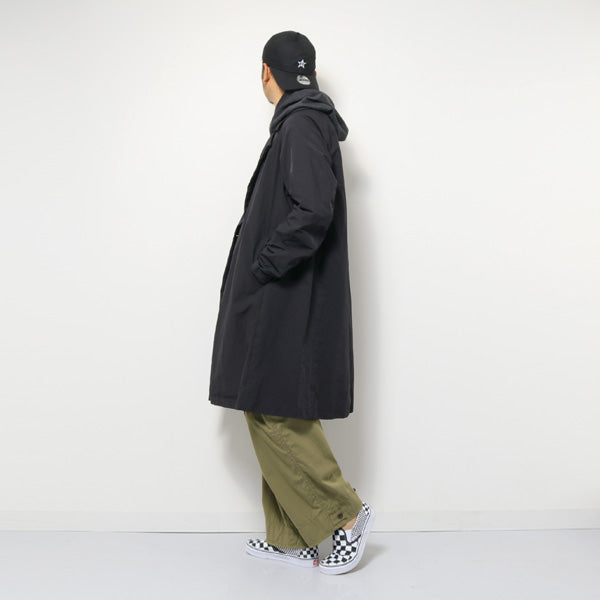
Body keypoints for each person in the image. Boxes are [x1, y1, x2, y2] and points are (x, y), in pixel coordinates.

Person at [208, 30, 375, 575]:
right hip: (284, 290)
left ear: (266, 73)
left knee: (277, 409)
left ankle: (344, 517)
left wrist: (263, 264)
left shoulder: (300, 123)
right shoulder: (303, 120)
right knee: (266, 400)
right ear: (310, 73)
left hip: (286, 292)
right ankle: (291, 536)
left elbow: (312, 210)